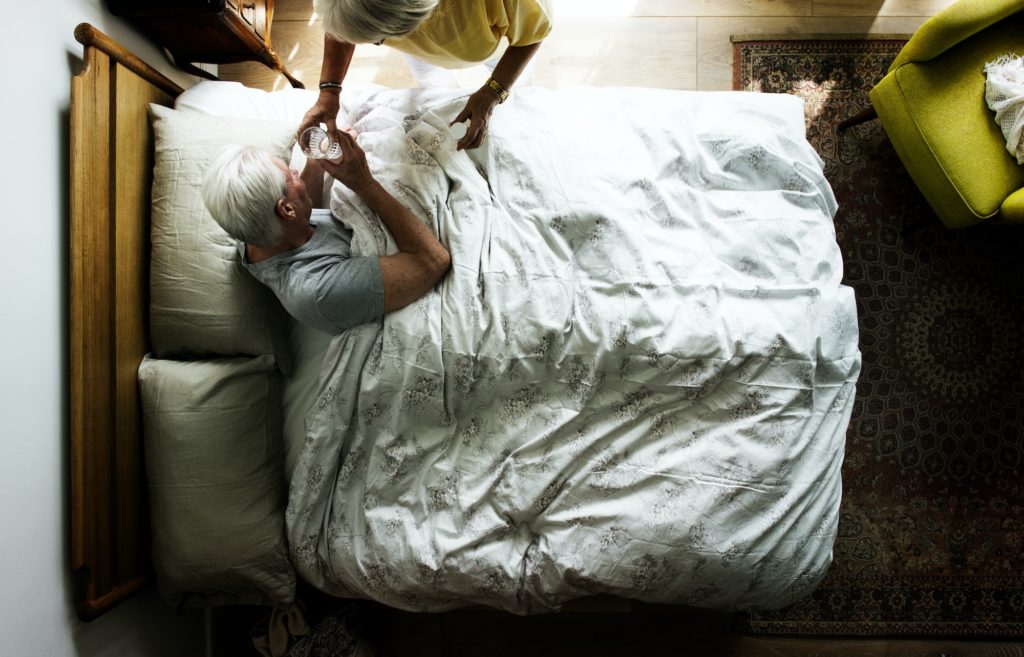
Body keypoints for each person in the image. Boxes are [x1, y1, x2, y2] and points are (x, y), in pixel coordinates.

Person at [201, 129, 451, 334]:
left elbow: (298, 216)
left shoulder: (247, 223)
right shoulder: (319, 290)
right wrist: (363, 182)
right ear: (286, 209)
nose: (295, 171)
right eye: (291, 175)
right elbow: (432, 261)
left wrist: (317, 158)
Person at [299, 0, 552, 151]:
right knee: (433, 91)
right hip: (424, 55)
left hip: (498, 51)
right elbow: (342, 24)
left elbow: (533, 35)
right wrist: (329, 91)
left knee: (517, 105)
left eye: (378, 39)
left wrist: (493, 92)